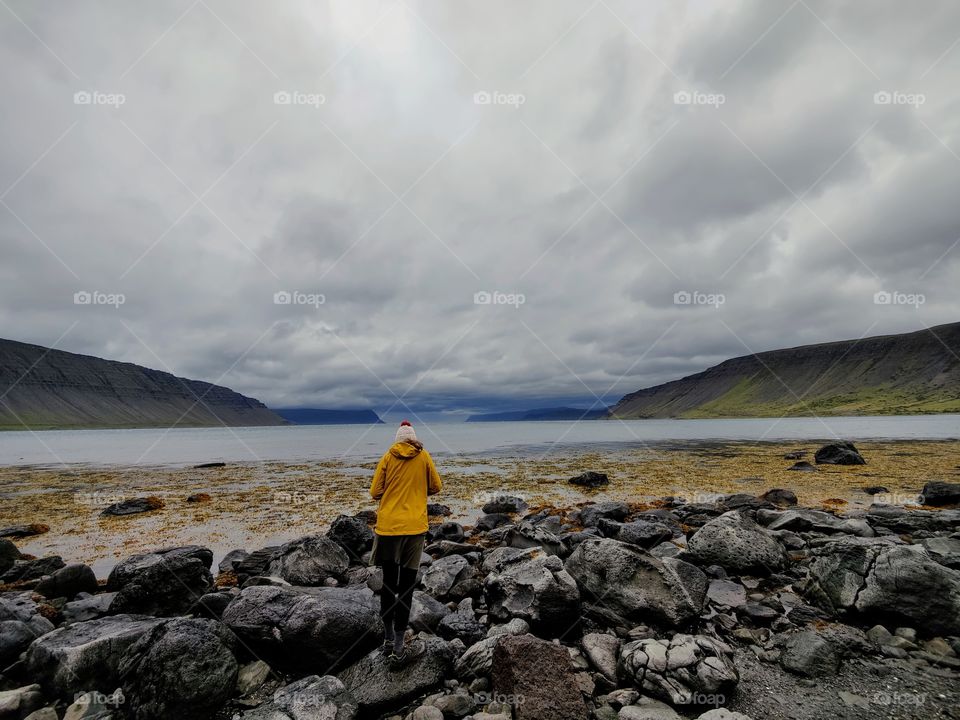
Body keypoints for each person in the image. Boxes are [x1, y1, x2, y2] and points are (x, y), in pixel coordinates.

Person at [369, 420, 442, 663]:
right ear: (413, 438)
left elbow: (374, 492)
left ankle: (388, 637)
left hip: (389, 527)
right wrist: (417, 490)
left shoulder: (388, 457)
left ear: (398, 439)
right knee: (408, 585)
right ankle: (399, 645)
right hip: (414, 528)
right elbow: (436, 486)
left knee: (389, 583)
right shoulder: (424, 456)